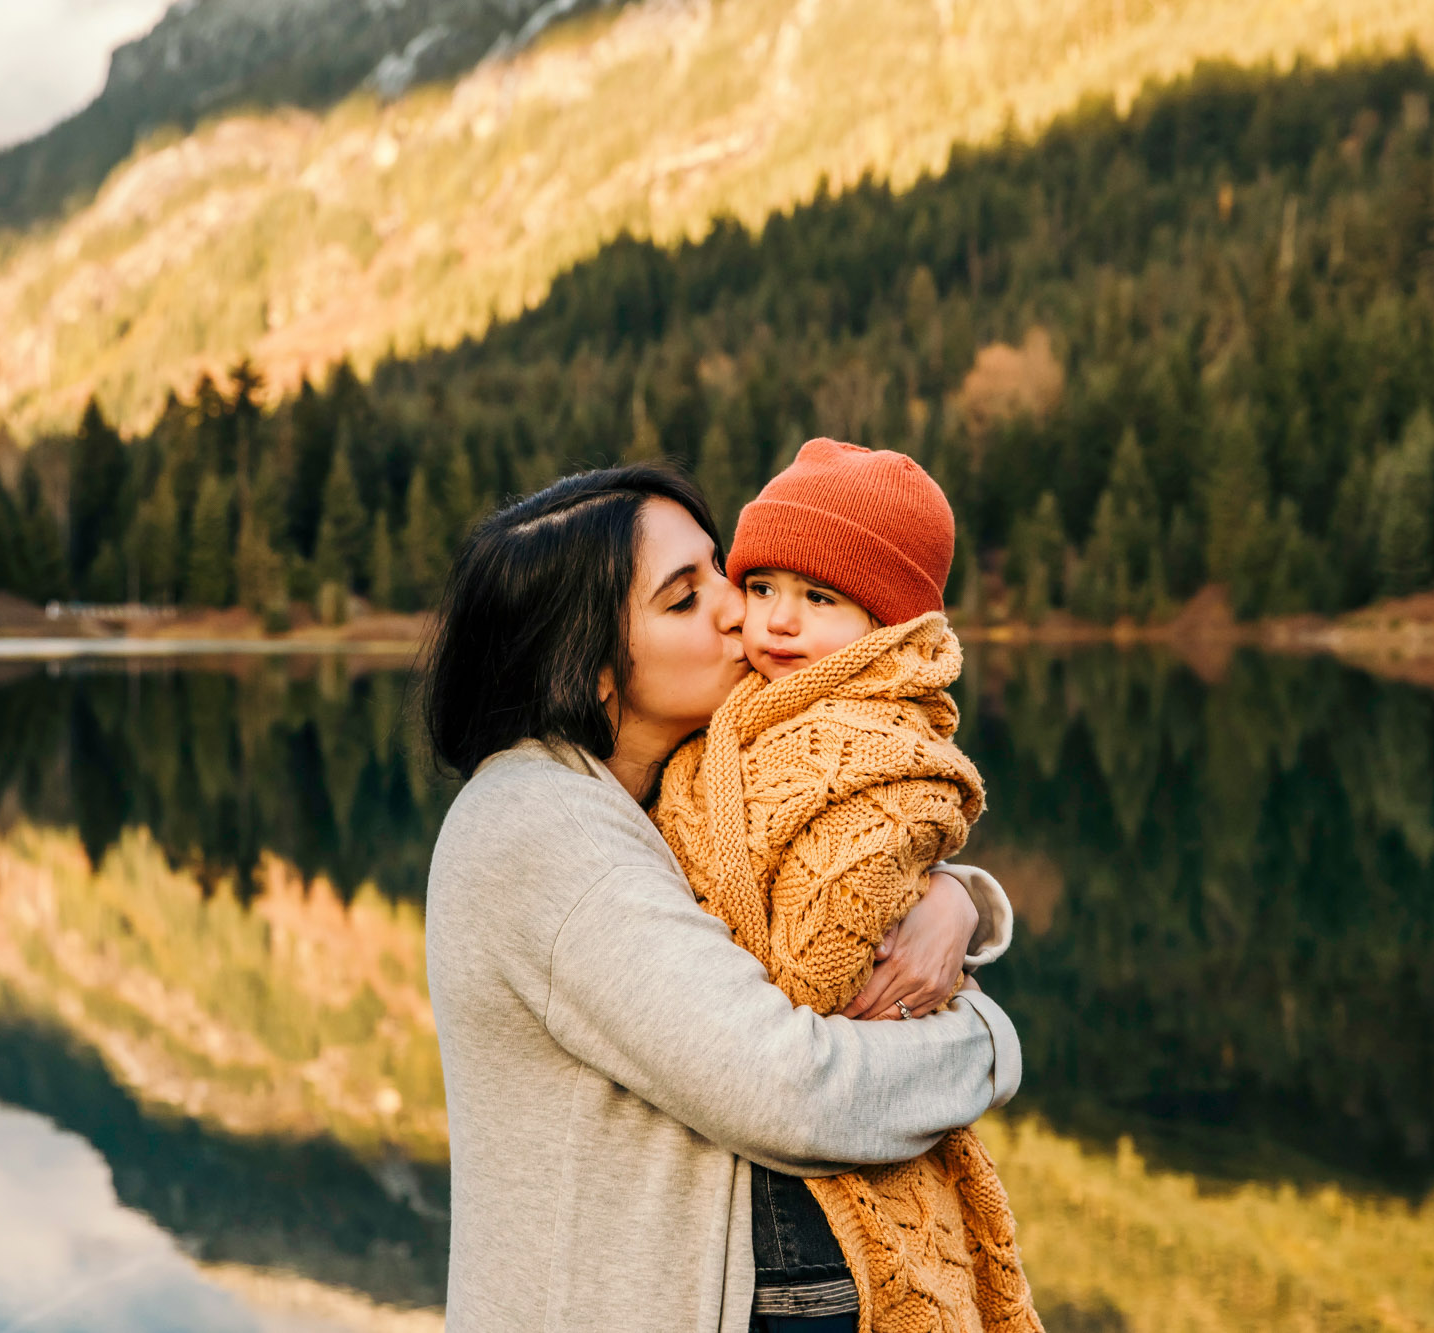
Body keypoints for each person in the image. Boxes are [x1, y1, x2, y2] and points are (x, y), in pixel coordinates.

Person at [420, 463, 1023, 1332]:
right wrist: (986, 1040)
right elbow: (789, 1088)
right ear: (589, 671)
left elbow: (815, 885)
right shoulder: (545, 831)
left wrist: (954, 898)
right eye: (683, 597)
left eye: (720, 570)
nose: (741, 608)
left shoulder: (664, 794)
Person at [653, 439, 1042, 1333]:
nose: (776, 624)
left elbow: (814, 980)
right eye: (761, 589)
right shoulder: (729, 723)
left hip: (813, 1222)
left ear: (888, 624)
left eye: (819, 599)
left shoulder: (889, 756)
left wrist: (955, 904)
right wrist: (962, 900)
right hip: (740, 1201)